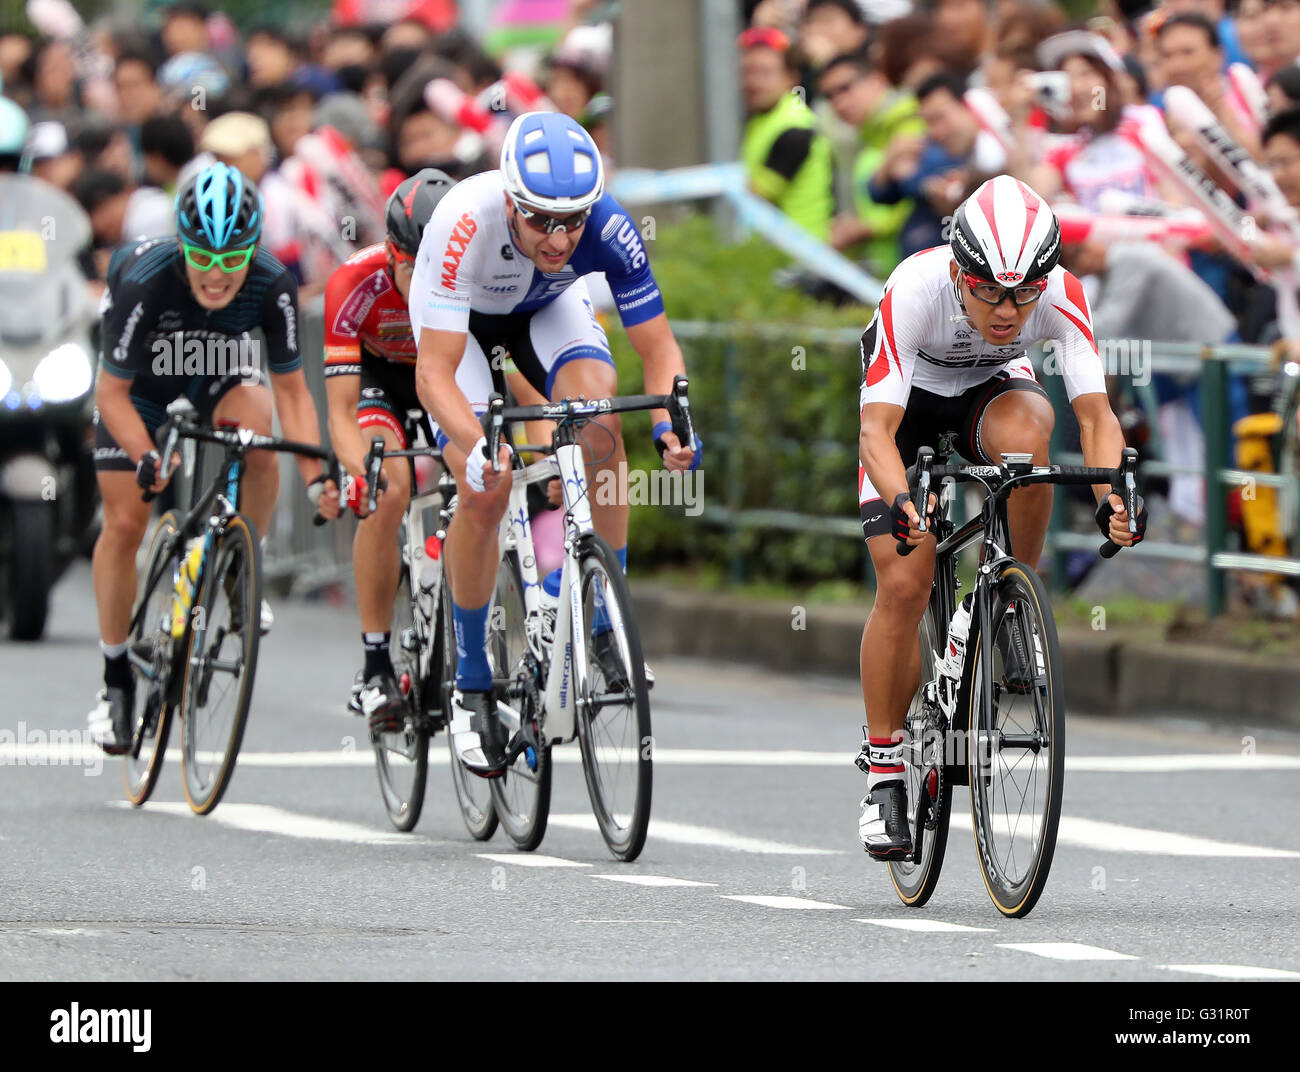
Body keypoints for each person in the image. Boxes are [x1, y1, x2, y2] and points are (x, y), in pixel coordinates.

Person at [855, 175, 1147, 858]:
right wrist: (903, 503)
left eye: (1024, 293)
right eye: (987, 290)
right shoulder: (915, 287)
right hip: (907, 410)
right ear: (959, 271)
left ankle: (1016, 596)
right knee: (904, 582)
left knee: (1029, 442)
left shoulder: (1062, 297)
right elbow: (876, 433)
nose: (1007, 311)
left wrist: (1112, 498)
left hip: (993, 394)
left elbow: (1096, 417)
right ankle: (885, 772)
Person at [409, 111, 700, 777]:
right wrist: (475, 445)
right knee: (484, 486)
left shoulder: (610, 228)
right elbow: (433, 373)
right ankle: (472, 683)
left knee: (600, 421)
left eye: (573, 220)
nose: (559, 235)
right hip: (460, 331)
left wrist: (670, 427)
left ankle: (605, 620)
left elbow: (657, 350)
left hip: (542, 311)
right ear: (511, 201)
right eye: (541, 219)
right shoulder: (465, 222)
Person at [86, 162, 342, 754]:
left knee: (258, 434)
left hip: (215, 377)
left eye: (234, 259)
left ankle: (237, 559)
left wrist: (314, 477)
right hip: (140, 393)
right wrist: (146, 456)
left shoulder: (270, 280)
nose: (219, 274)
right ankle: (115, 677)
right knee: (126, 521)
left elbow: (293, 396)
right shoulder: (145, 276)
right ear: (183, 243)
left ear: (253, 251)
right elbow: (111, 395)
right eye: (204, 256)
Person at [323, 169, 456, 729]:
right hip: (381, 381)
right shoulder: (354, 282)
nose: (424, 281)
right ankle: (375, 666)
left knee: (487, 479)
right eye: (412, 269)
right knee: (388, 489)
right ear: (393, 253)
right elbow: (339, 410)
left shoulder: (467, 276)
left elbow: (512, 380)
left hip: (443, 374)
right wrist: (361, 470)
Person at [738, 26, 834, 240]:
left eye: (765, 72)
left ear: (791, 78)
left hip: (801, 258)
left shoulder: (795, 127)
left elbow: (752, 197)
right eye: (747, 71)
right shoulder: (763, 116)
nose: (753, 82)